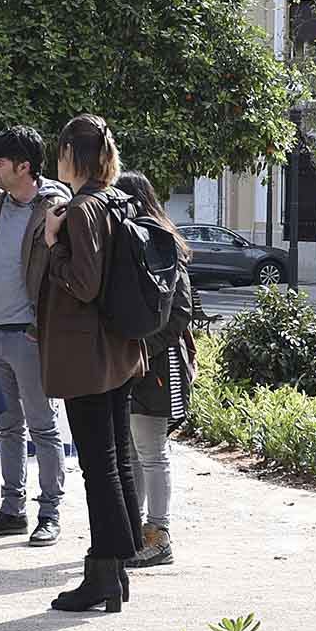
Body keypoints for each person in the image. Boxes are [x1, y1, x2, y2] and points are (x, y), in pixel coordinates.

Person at [26, 113, 146, 614]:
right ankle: (112, 573)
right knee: (116, 459)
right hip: (119, 348)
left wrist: (54, 244)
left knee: (100, 466)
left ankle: (104, 572)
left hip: (87, 355)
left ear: (70, 156)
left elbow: (82, 282)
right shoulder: (122, 199)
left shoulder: (81, 209)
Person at [0, 125, 70, 548]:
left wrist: (43, 327)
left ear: (24, 166)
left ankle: (49, 511)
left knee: (43, 428)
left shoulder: (55, 207)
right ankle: (12, 509)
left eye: (0, 161)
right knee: (7, 427)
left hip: (30, 337)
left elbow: (61, 273)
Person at [117, 170, 193, 570]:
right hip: (139, 365)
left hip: (158, 369)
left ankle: (158, 534)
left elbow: (179, 313)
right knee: (133, 453)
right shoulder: (143, 245)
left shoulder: (164, 247)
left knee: (150, 451)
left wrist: (140, 348)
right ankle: (138, 530)